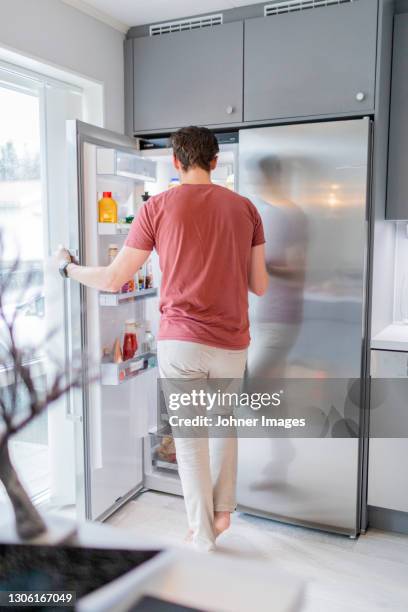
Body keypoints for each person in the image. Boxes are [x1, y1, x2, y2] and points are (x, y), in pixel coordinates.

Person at [57, 126, 268, 551]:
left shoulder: (157, 207)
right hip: (232, 341)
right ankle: (222, 512)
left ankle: (202, 534)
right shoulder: (245, 208)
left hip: (181, 341)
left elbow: (116, 279)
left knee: (190, 439)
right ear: (215, 162)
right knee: (223, 427)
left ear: (175, 161)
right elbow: (259, 285)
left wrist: (69, 270)